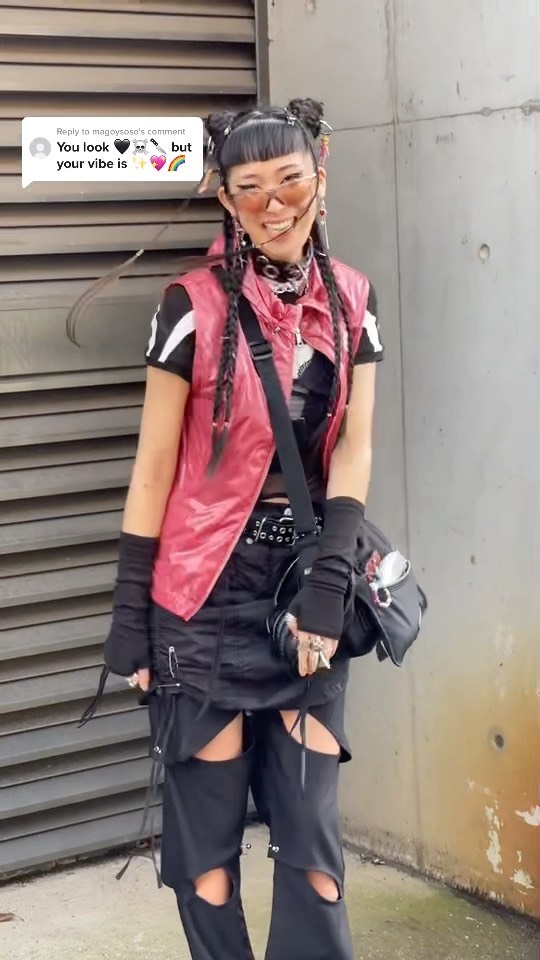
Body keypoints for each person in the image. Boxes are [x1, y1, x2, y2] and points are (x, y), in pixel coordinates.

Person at [102, 98, 384, 960]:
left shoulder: (353, 300)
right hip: (203, 598)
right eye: (250, 187)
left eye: (289, 180)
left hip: (305, 587)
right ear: (226, 199)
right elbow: (154, 467)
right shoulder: (189, 306)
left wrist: (332, 584)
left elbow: (354, 448)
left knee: (313, 850)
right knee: (209, 856)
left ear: (321, 177)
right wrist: (130, 613)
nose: (273, 203)